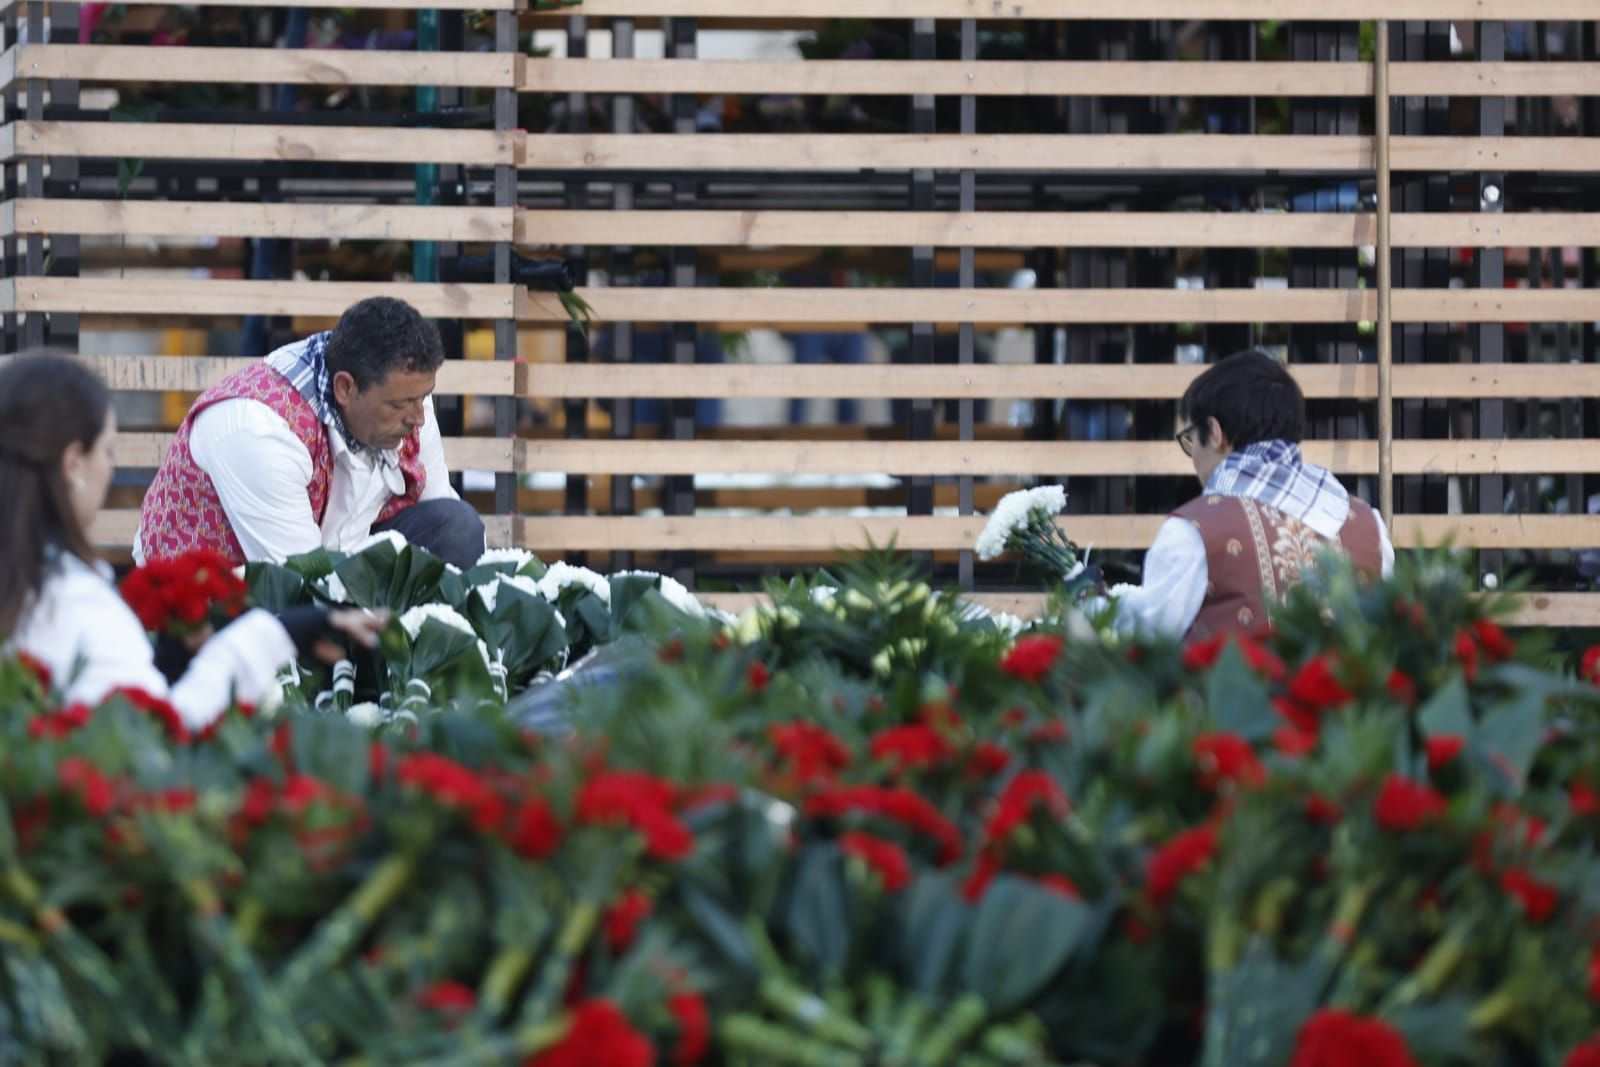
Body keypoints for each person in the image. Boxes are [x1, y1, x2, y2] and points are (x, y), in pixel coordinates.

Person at [2, 356, 383, 731]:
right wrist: (278, 634)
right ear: (73, 464)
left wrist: (165, 662)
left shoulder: (32, 590)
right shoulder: (74, 604)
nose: (110, 469)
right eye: (107, 451)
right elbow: (164, 729)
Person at [137, 296, 486, 569]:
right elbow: (299, 582)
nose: (418, 417)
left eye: (422, 398)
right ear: (345, 388)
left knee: (456, 527)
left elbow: (442, 512)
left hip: (334, 564)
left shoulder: (408, 405)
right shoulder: (258, 428)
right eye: (399, 405)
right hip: (221, 600)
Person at [1102, 350, 1394, 640]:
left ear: (1215, 433)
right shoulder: (1370, 525)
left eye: (1191, 439)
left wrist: (1088, 600)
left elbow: (1145, 636)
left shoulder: (1193, 530)